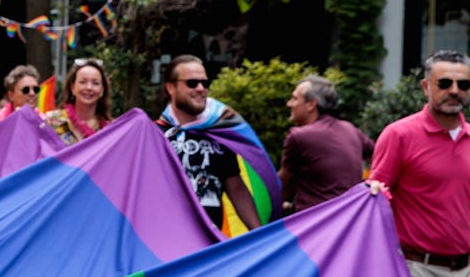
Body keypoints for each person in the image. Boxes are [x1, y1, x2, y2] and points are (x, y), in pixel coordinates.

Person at [369, 50, 470, 277]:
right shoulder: (399, 134)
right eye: (444, 82)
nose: (454, 90)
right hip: (418, 273)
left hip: (466, 273)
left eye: (463, 84)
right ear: (426, 87)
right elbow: (376, 198)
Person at [156, 54, 263, 232]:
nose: (200, 88)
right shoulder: (154, 135)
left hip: (209, 246)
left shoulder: (219, 133)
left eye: (204, 83)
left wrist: (260, 235)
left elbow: (235, 187)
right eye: (192, 83)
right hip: (166, 241)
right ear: (170, 87)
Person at [279, 75, 373, 214]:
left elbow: (283, 183)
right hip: (352, 218)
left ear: (311, 104)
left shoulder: (299, 136)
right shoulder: (350, 129)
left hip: (314, 224)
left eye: (295, 98)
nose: (289, 104)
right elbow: (380, 157)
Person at [45, 58, 113, 144]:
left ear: (102, 90)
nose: (89, 87)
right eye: (83, 82)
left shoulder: (110, 130)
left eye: (95, 83)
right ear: (73, 87)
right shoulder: (50, 120)